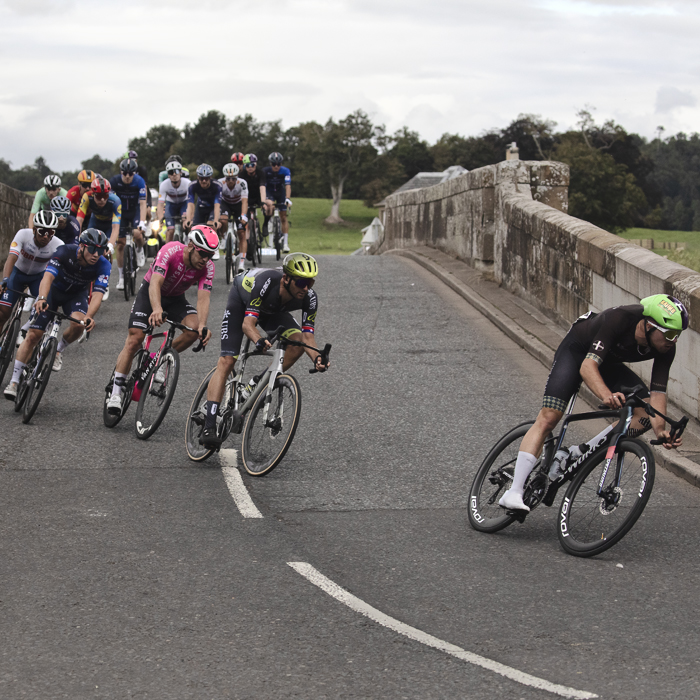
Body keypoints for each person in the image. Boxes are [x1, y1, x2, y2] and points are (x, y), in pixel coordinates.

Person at [498, 294, 688, 512]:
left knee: (643, 414)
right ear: (649, 325)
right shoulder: (619, 318)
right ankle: (514, 491)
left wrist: (660, 430)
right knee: (550, 417)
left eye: (678, 335)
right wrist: (606, 394)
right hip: (578, 352)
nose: (673, 341)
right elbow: (587, 367)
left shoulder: (666, 347)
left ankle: (579, 452)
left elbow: (658, 393)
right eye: (670, 334)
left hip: (607, 362)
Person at [199, 252, 329, 448]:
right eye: (302, 283)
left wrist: (317, 357)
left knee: (297, 343)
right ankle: (209, 425)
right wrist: (259, 340)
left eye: (310, 283)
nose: (306, 288)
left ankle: (257, 382)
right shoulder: (266, 282)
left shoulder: (309, 298)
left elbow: (307, 337)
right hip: (242, 303)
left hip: (272, 310)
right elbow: (247, 325)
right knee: (227, 360)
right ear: (286, 278)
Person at [105, 226, 216, 416]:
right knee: (134, 339)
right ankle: (116, 392)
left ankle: (161, 357)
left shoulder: (208, 267)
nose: (206, 259)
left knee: (193, 329)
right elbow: (155, 282)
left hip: (175, 298)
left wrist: (203, 325)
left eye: (210, 254)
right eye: (203, 253)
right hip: (151, 292)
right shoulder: (171, 251)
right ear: (190, 245)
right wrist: (157, 309)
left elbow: (203, 297)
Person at [4, 229, 111, 399]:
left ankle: (58, 351)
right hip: (53, 292)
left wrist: (89, 316)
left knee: (78, 324)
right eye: (93, 249)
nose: (96, 255)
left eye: (101, 250)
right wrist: (41, 298)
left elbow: (98, 294)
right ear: (82, 247)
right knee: (33, 336)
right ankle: (14, 381)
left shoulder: (104, 265)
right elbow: (47, 277)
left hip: (75, 296)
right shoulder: (64, 251)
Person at [0, 211, 64, 346]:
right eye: (42, 232)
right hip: (17, 274)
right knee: (3, 313)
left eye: (51, 233)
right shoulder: (23, 234)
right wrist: (5, 279)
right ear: (34, 229)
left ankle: (25, 330)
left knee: (45, 307)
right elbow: (11, 258)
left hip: (38, 278)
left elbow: (58, 271)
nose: (46, 236)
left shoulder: (58, 245)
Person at [110, 158, 148, 288]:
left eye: (130, 174)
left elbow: (143, 204)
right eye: (124, 173)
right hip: (121, 212)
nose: (127, 176)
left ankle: (139, 248)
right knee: (120, 245)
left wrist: (142, 221)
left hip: (135, 211)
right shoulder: (114, 181)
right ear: (121, 172)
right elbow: (111, 202)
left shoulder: (139, 181)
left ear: (134, 173)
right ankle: (121, 277)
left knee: (137, 233)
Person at [183, 164, 222, 259]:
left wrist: (216, 220)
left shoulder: (217, 185)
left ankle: (214, 248)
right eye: (201, 178)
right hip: (200, 206)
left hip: (213, 207)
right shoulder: (192, 186)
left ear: (210, 177)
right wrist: (188, 218)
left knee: (211, 224)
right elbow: (190, 204)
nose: (204, 181)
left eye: (206, 178)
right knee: (194, 227)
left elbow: (217, 205)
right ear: (198, 177)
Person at [218, 163, 249, 273]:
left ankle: (241, 262)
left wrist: (243, 215)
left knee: (241, 232)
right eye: (228, 178)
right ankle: (224, 237)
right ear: (225, 178)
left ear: (236, 177)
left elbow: (245, 201)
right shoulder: (220, 183)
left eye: (233, 178)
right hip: (225, 204)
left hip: (238, 205)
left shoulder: (242, 183)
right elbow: (217, 201)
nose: (230, 181)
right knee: (223, 220)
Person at [263, 152, 292, 253]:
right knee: (269, 207)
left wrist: (287, 198)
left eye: (278, 164)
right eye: (274, 164)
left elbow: (288, 185)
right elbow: (262, 186)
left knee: (283, 217)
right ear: (270, 163)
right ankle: (267, 223)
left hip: (280, 192)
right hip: (269, 192)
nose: (276, 166)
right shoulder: (265, 171)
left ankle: (285, 244)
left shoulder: (285, 171)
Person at [157, 160, 191, 243]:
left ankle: (188, 238)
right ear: (168, 175)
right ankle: (167, 252)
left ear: (180, 172)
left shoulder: (187, 183)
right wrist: (160, 218)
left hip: (184, 203)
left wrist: (188, 217)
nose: (174, 174)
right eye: (171, 172)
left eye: (176, 171)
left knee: (187, 223)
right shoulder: (164, 185)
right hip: (171, 205)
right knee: (170, 230)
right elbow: (160, 204)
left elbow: (191, 203)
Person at [238, 154, 267, 253]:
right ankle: (248, 241)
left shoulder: (260, 173)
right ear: (245, 166)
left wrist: (263, 202)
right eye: (247, 165)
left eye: (252, 165)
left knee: (268, 207)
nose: (250, 167)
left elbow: (262, 187)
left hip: (258, 197)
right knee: (246, 221)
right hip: (246, 198)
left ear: (256, 165)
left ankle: (265, 225)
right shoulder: (241, 175)